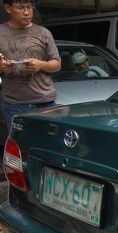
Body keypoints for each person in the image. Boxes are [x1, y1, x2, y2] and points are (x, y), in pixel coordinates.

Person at [0, 0, 61, 137]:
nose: (27, 12)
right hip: (15, 104)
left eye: (29, 7)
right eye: (20, 8)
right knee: (21, 148)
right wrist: (1, 67)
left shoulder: (43, 32)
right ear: (8, 8)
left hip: (46, 103)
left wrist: (40, 65)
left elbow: (57, 64)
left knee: (48, 146)